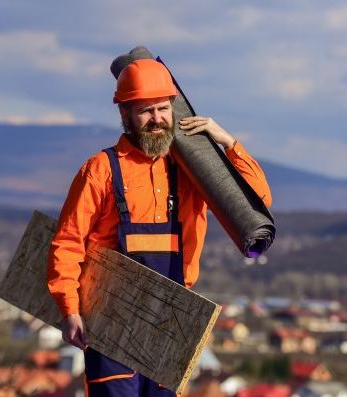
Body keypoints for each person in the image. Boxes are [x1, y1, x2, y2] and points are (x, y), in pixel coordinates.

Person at [47, 58, 272, 396]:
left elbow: (257, 200)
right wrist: (69, 309)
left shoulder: (192, 172)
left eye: (163, 109)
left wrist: (226, 141)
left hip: (171, 319)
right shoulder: (100, 170)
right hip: (108, 317)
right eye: (145, 111)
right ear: (125, 114)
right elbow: (67, 243)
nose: (156, 119)